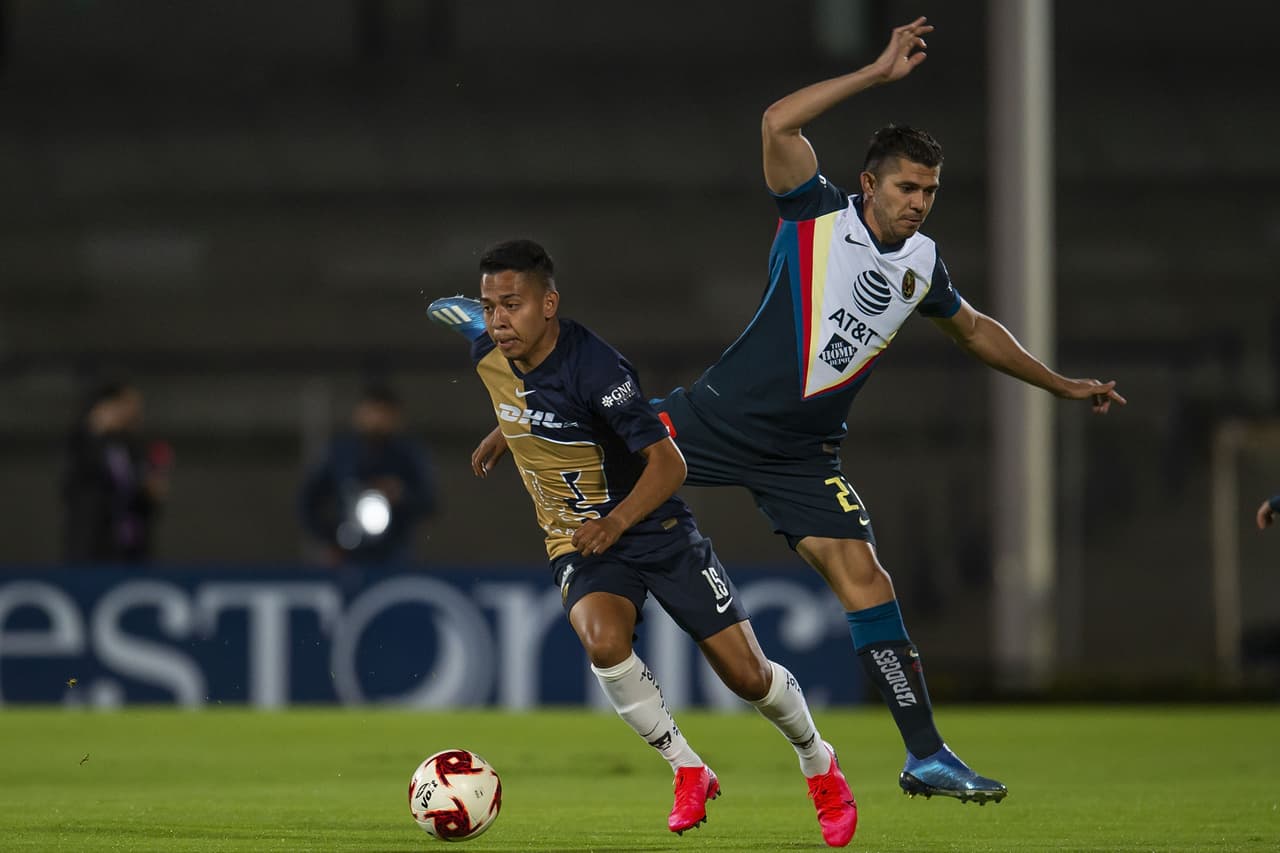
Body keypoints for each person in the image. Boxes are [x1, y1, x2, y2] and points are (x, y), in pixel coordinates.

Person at [438, 18, 1129, 805]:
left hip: (806, 454)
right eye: (906, 187)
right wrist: (874, 72)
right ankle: (690, 749)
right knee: (615, 452)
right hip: (717, 418)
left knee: (865, 577)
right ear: (869, 184)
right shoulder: (817, 216)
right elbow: (777, 121)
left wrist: (1061, 383)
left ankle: (926, 755)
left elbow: (973, 328)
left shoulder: (923, 266)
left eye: (930, 191)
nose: (919, 204)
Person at [428, 239, 859, 846]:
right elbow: (506, 367)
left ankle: (819, 761)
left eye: (513, 305)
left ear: (549, 304)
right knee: (602, 640)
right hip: (576, 538)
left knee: (748, 676)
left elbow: (669, 465)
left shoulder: (600, 369)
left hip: (653, 529)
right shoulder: (492, 344)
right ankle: (688, 768)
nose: (499, 320)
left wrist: (616, 522)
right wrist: (508, 427)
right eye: (490, 307)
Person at [298, 384, 438, 565]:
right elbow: (307, 500)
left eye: (385, 413)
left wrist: (401, 494)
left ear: (397, 417)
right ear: (359, 414)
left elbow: (430, 501)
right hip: (347, 550)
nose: (378, 420)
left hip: (395, 552)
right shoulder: (340, 453)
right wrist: (329, 537)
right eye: (372, 412)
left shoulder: (409, 454)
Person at [61, 380, 172, 563]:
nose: (134, 411)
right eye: (128, 404)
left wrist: (150, 492)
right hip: (92, 548)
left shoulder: (131, 448)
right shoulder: (80, 442)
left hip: (131, 549)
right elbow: (75, 486)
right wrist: (95, 430)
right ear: (107, 406)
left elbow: (140, 497)